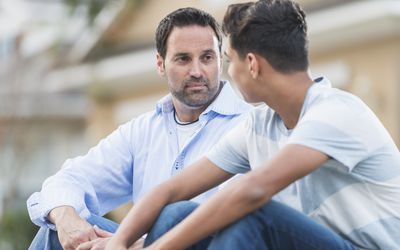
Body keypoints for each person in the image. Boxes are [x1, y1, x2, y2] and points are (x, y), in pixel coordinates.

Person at [105, 0, 400, 249]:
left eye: (228, 60)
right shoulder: (259, 126)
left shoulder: (335, 111)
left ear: (253, 64)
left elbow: (253, 191)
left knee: (255, 214)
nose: (227, 73)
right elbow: (170, 190)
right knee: (175, 215)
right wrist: (119, 243)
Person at [26, 7, 251, 250]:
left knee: (176, 214)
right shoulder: (142, 131)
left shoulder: (247, 125)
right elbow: (69, 179)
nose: (197, 71)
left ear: (220, 59)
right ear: (160, 64)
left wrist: (134, 245)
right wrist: (65, 217)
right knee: (54, 230)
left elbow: (235, 218)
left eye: (207, 57)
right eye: (183, 58)